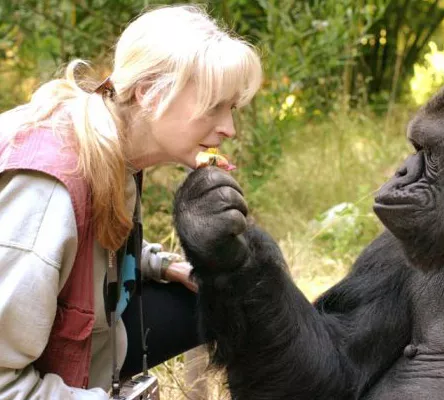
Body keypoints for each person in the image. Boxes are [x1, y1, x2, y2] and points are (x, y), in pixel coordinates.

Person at [0, 4, 262, 399]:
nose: (229, 128)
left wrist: (160, 263)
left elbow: (80, 253)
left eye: (232, 108)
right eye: (214, 107)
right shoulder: (49, 190)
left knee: (223, 295)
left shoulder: (110, 143)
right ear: (149, 92)